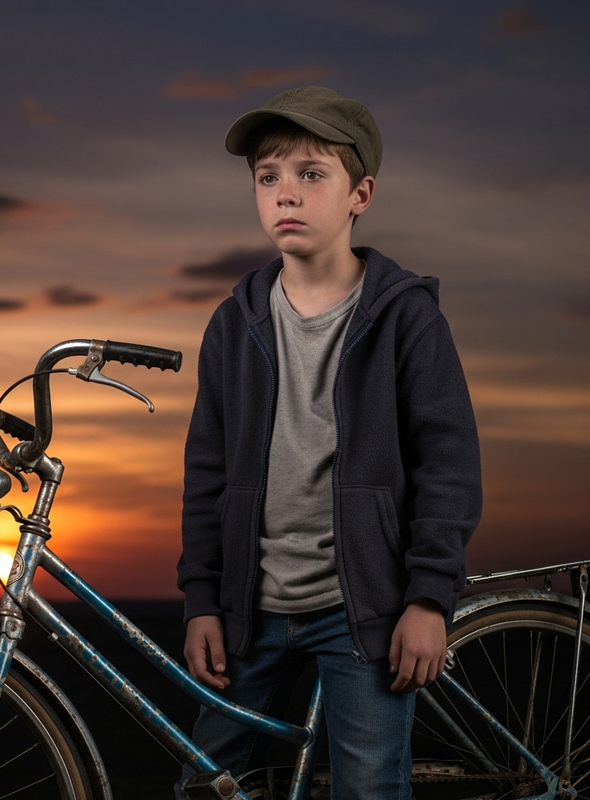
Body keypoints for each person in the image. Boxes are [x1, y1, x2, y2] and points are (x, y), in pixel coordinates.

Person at [176, 86, 482, 799]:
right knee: (205, 786)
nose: (287, 192)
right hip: (250, 612)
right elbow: (207, 474)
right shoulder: (234, 324)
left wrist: (430, 600)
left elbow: (449, 464)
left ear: (360, 194)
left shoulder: (407, 321)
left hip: (361, 608)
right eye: (268, 177)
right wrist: (200, 600)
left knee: (368, 788)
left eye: (312, 174)